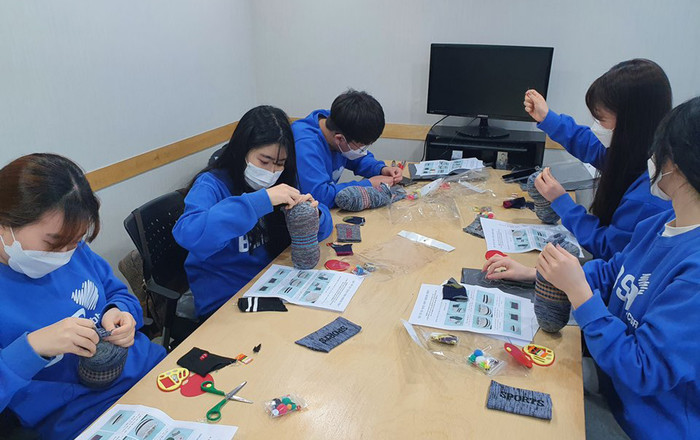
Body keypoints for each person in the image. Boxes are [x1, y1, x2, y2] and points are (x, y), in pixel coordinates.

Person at [484, 97, 700, 439]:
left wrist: (579, 293)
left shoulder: (694, 272)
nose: (653, 158)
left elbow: (642, 369)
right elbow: (613, 273)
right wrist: (538, 273)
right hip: (609, 377)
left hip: (640, 422)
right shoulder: (662, 222)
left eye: (660, 150)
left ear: (680, 163)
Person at [0, 154, 165, 439]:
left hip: (149, 372)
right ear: (5, 223)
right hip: (85, 417)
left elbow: (117, 293)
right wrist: (33, 348)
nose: (65, 254)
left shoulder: (71, 249)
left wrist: (121, 312)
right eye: (53, 243)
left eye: (75, 241)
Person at [173, 105, 333, 317]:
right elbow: (189, 233)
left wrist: (313, 216)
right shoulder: (211, 185)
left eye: (280, 163)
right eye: (264, 161)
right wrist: (259, 202)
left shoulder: (281, 180)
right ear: (242, 151)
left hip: (271, 281)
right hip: (225, 300)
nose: (272, 172)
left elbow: (324, 226)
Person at [523, 59, 672, 259]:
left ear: (631, 123)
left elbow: (608, 248)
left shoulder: (650, 195)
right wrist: (547, 117)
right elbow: (590, 146)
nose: (596, 128)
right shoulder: (637, 153)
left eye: (601, 120)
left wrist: (561, 202)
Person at [292, 89, 403, 207]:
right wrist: (369, 185)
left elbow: (357, 158)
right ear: (340, 139)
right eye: (361, 147)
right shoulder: (305, 146)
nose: (362, 151)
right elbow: (320, 197)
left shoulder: (339, 123)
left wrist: (381, 169)